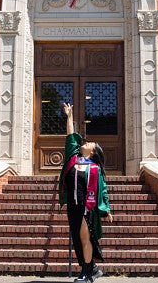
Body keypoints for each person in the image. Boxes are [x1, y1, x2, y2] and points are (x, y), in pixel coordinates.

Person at [59, 103, 113, 283]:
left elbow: (102, 189)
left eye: (90, 143)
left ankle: (87, 274)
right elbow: (71, 137)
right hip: (73, 205)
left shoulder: (95, 169)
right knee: (77, 238)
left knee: (84, 237)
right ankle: (92, 268)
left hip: (86, 206)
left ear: (93, 153)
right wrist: (69, 117)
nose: (86, 142)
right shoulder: (73, 158)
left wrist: (106, 208)